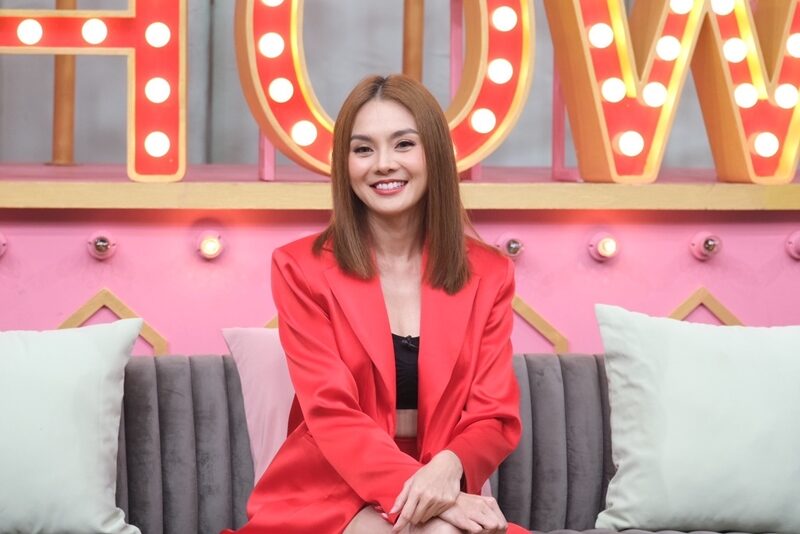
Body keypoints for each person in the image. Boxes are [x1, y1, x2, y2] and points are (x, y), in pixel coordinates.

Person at [230, 74, 524, 533]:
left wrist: (447, 472)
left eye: (404, 144)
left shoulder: (489, 273)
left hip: (441, 479)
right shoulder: (298, 268)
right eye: (363, 149)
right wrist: (430, 498)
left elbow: (494, 415)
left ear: (434, 154)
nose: (384, 164)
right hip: (328, 488)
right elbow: (331, 412)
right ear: (345, 165)